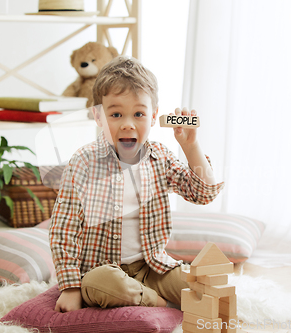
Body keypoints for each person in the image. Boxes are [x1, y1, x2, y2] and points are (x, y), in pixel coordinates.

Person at [50, 56, 225, 313]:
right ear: (98, 116)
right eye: (116, 114)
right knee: (103, 284)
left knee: (202, 286)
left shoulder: (160, 157)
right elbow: (64, 229)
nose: (128, 123)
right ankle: (156, 303)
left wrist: (191, 147)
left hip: (151, 268)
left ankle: (145, 294)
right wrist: (70, 287)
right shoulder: (84, 162)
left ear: (154, 117)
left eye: (139, 114)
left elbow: (203, 194)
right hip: (101, 271)